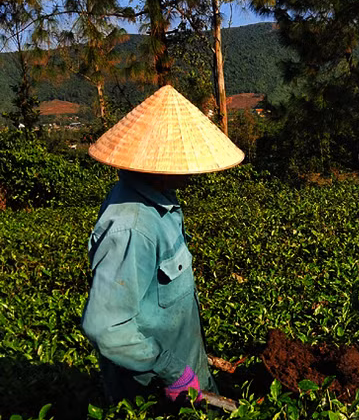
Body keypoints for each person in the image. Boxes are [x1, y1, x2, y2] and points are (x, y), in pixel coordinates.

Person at [81, 85, 244, 403]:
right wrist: (169, 369)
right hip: (154, 393)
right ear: (158, 167)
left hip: (186, 370)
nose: (193, 171)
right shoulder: (131, 227)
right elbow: (106, 327)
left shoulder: (161, 203)